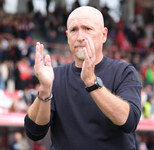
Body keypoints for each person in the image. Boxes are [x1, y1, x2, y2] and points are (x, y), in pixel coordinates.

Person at [24, 6, 142, 150]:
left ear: (103, 35)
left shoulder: (124, 72)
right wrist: (44, 90)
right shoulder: (55, 76)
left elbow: (129, 121)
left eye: (87, 29)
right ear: (67, 37)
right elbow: (34, 132)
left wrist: (92, 83)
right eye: (74, 30)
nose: (80, 37)